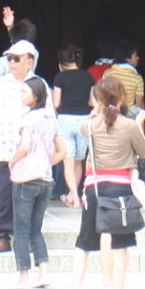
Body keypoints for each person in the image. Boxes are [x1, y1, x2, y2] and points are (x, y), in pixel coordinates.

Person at [67, 75, 145, 289]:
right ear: (123, 97)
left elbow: (84, 125)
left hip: (94, 188)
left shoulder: (91, 125)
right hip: (120, 190)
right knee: (121, 246)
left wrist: (98, 108)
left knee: (83, 244)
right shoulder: (129, 125)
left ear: (98, 99)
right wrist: (140, 123)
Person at [8, 74, 60, 289]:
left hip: (26, 178)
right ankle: (44, 272)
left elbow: (24, 146)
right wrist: (47, 163)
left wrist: (12, 162)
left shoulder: (28, 118)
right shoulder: (51, 119)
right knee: (35, 229)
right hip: (45, 178)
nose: (21, 95)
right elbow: (61, 150)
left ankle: (24, 277)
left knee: (20, 228)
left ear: (36, 96)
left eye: (25, 92)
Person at [0, 37, 38, 253]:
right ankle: (2, 234)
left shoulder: (38, 84)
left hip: (31, 152)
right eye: (9, 58)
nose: (12, 63)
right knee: (4, 194)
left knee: (28, 196)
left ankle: (25, 234)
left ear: (30, 60)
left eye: (17, 59)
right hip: (5, 149)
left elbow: (47, 116)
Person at [54, 44, 95, 207]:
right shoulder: (88, 77)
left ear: (61, 62)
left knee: (68, 162)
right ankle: (73, 194)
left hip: (65, 120)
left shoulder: (60, 77)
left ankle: (75, 198)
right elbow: (92, 101)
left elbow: (56, 103)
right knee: (79, 160)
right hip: (84, 119)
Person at [108, 40, 145, 112]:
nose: (138, 58)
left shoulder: (108, 73)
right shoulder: (137, 78)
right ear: (127, 59)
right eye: (136, 55)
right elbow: (139, 104)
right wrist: (142, 121)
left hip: (110, 117)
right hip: (127, 119)